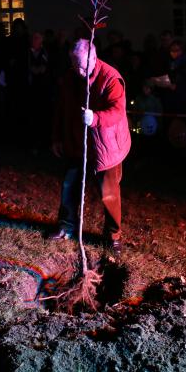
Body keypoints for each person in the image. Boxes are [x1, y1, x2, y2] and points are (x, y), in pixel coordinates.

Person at [51, 38, 131, 256]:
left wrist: (95, 117)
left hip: (105, 145)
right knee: (69, 185)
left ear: (94, 58)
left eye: (82, 65)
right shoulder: (71, 76)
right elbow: (62, 107)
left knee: (109, 193)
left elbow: (117, 111)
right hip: (77, 142)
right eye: (74, 64)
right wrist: (58, 136)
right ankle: (67, 226)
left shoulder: (111, 78)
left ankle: (113, 235)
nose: (78, 70)